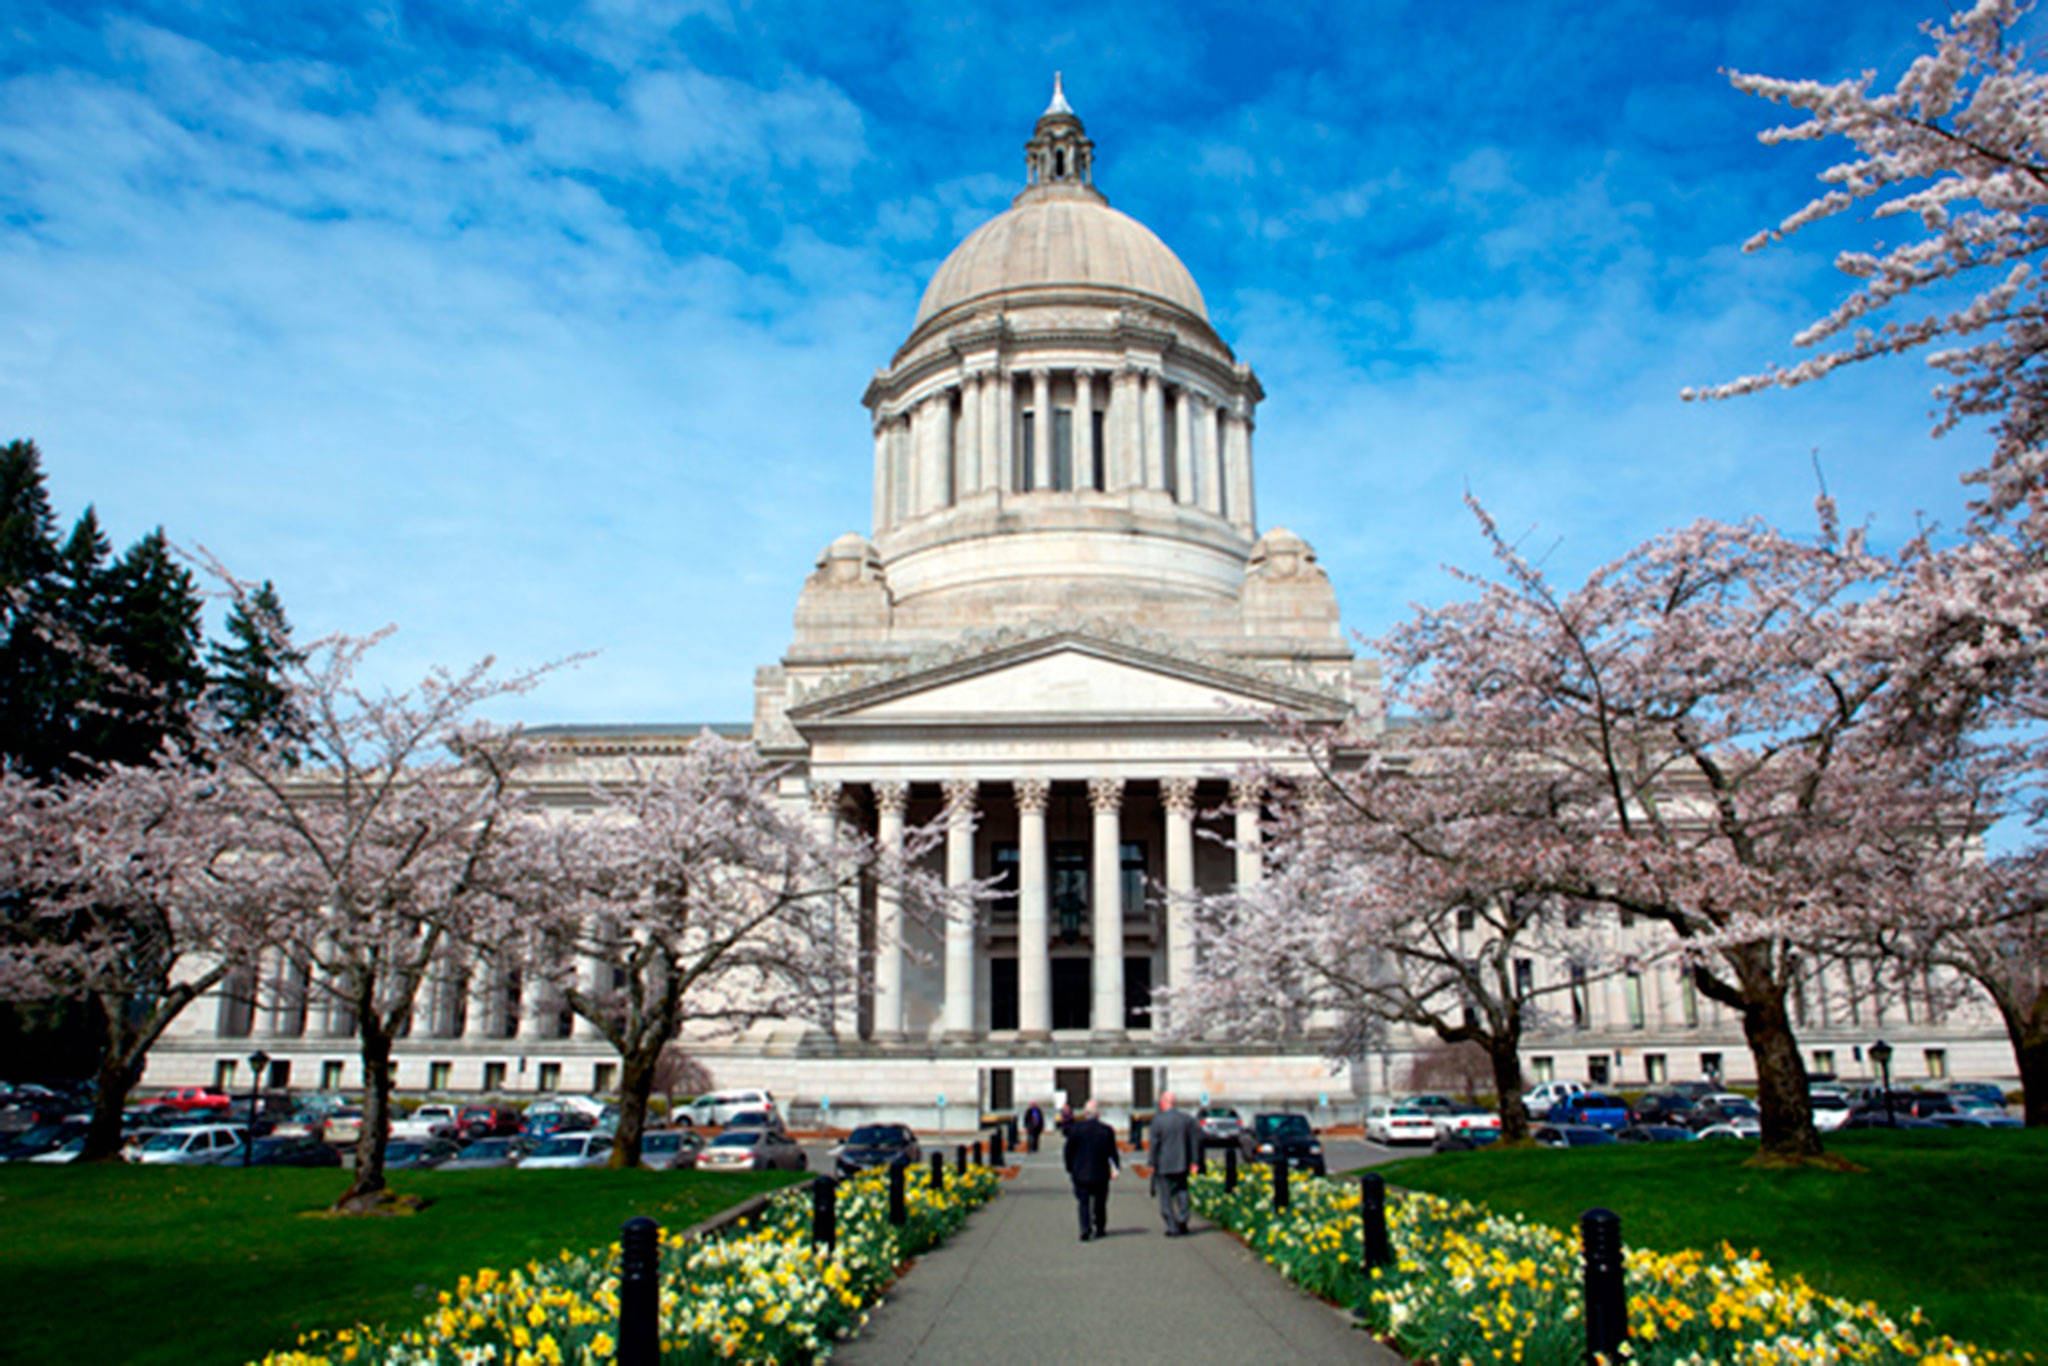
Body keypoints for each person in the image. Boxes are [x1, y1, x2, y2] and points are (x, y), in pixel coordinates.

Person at [1062, 1098, 1119, 1242]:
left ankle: (1085, 1228)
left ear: (1084, 1113)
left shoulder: (1076, 1129)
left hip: (1080, 1171)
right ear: (1098, 1113)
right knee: (1100, 1201)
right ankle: (1100, 1227)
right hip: (1100, 1171)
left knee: (1083, 1202)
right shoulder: (1106, 1130)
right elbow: (1112, 1152)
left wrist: (1069, 1167)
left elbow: (1068, 1151)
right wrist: (1116, 1167)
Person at [1147, 1091, 1201, 1237]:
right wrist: (1194, 1161)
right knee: (1182, 1191)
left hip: (1164, 1163)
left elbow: (1154, 1144)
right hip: (1182, 1162)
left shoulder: (1158, 1120)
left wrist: (1151, 1162)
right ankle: (1183, 1219)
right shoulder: (1186, 1119)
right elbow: (1194, 1142)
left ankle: (1172, 1226)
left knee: (1165, 1197)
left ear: (1163, 1103)